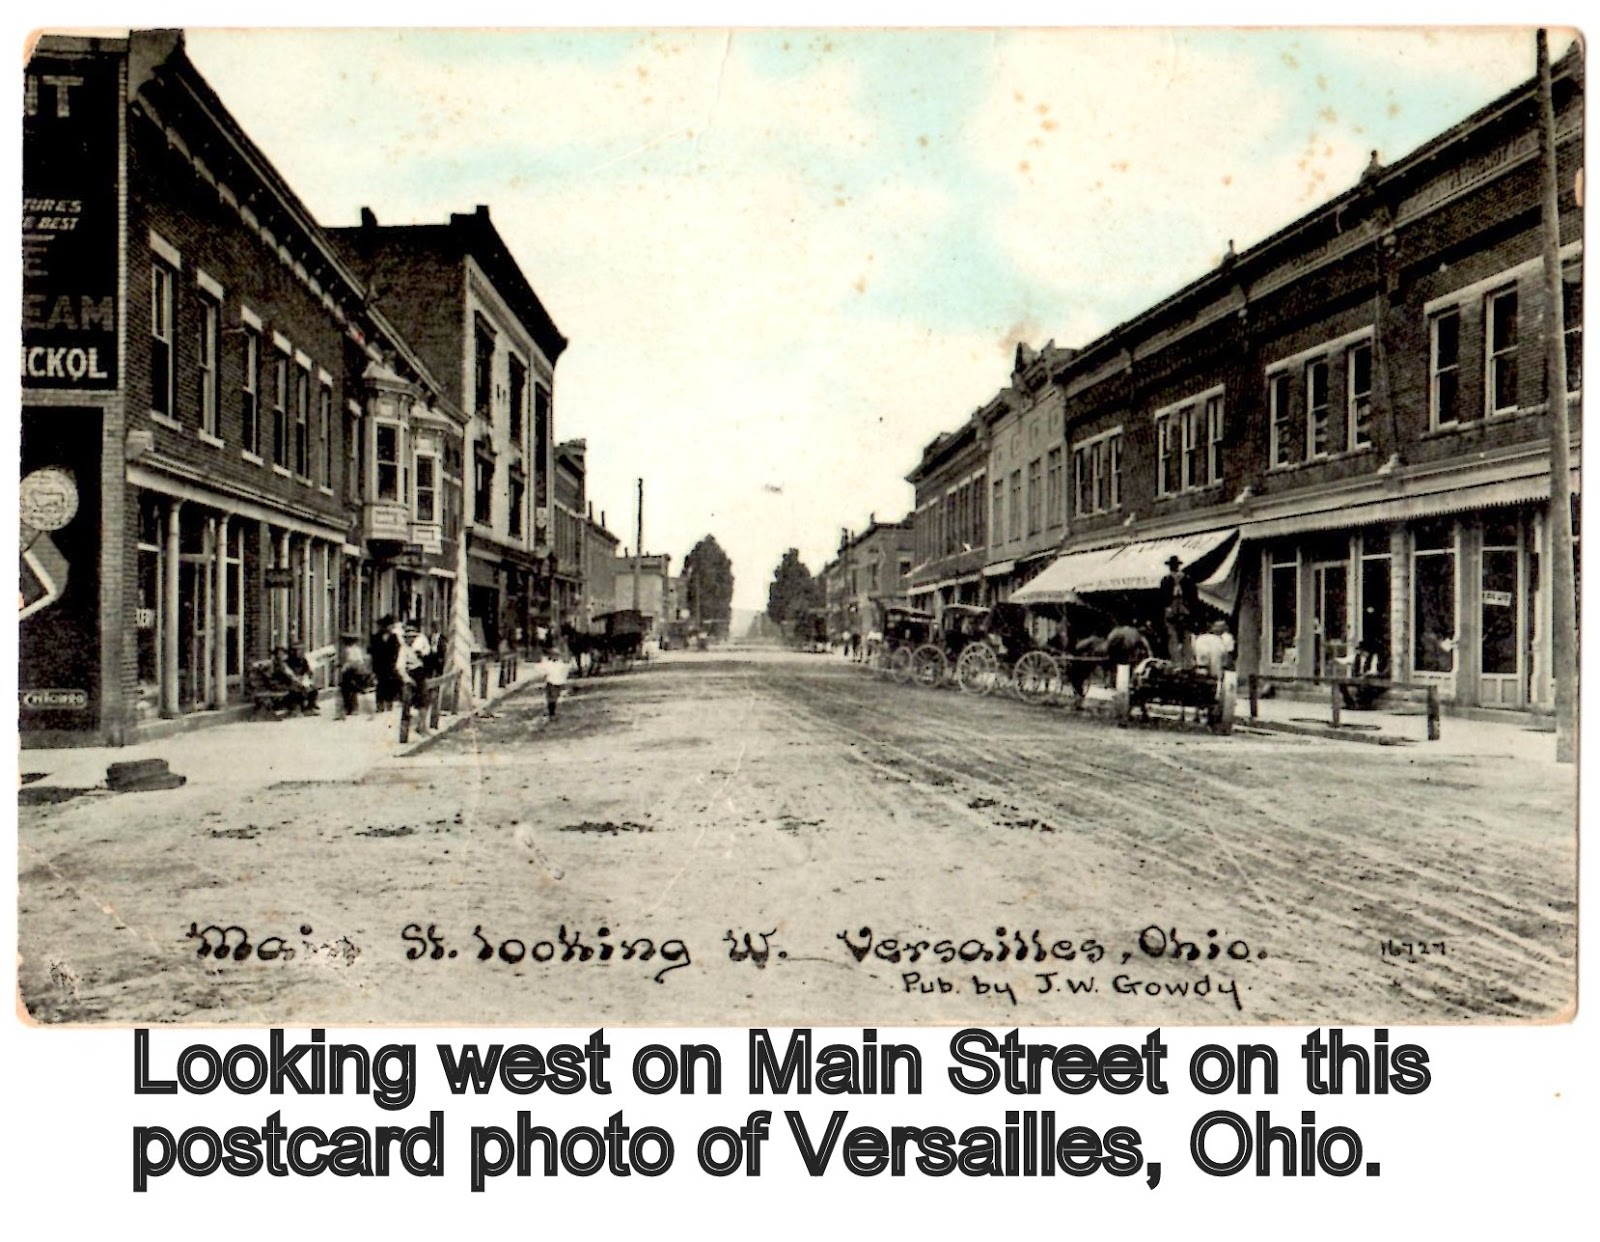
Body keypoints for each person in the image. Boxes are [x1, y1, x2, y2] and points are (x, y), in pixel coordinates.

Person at [1159, 555, 1200, 668]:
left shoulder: (1171, 580)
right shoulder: (1182, 579)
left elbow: (1162, 598)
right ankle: (1183, 662)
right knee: (1181, 638)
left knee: (1176, 638)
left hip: (1178, 612)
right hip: (1180, 612)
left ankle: (1180, 662)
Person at [273, 643, 318, 714]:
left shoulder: (303, 660)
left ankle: (309, 707)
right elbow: (286, 675)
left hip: (298, 680)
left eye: (301, 650)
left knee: (312, 688)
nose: (300, 652)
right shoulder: (287, 662)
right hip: (287, 683)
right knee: (299, 689)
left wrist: (305, 676)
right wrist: (297, 679)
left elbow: (308, 671)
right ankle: (301, 707)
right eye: (298, 650)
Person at [337, 631, 372, 718]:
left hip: (351, 672)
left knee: (348, 690)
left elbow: (350, 662)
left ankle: (350, 708)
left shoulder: (349, 650)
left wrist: (342, 666)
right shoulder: (356, 649)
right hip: (354, 671)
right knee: (350, 690)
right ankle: (351, 708)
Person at [537, 641, 571, 720]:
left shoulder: (560, 665)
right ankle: (551, 712)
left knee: (552, 698)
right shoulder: (552, 664)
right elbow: (542, 670)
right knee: (550, 697)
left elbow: (566, 669)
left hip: (556, 682)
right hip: (551, 682)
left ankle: (552, 713)